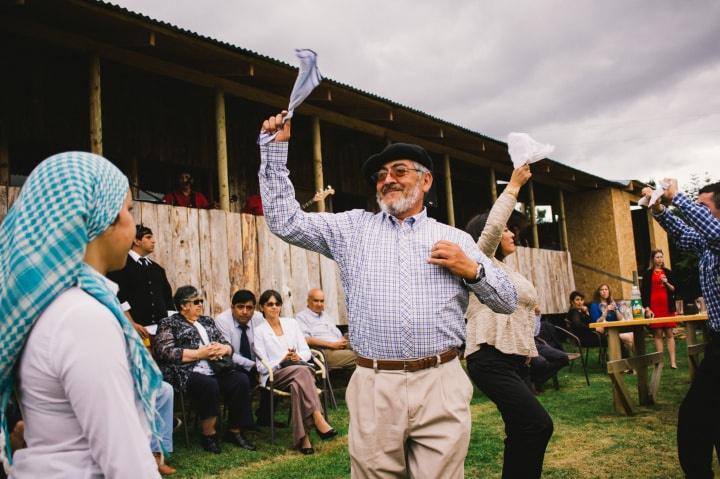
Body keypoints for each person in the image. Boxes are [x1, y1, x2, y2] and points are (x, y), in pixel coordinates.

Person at [258, 112, 517, 477]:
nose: (387, 180)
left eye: (399, 171)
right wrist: (274, 151)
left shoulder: (457, 240)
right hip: (375, 385)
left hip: (439, 380)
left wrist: (473, 270)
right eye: (381, 176)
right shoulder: (351, 229)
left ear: (425, 180)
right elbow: (284, 221)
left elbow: (505, 300)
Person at [0, 152, 163, 477]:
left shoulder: (47, 305)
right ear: (103, 218)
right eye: (129, 210)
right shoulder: (82, 318)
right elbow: (126, 462)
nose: (132, 223)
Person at [464, 164, 553, 478]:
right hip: (489, 359)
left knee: (521, 430)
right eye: (506, 229)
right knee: (538, 424)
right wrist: (514, 187)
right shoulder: (480, 261)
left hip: (514, 361)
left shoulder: (507, 269)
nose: (512, 233)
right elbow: (491, 229)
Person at [642, 179, 720, 478]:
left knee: (695, 416)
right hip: (716, 342)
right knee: (707, 415)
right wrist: (660, 209)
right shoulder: (708, 243)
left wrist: (678, 197)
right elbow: (686, 236)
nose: (697, 212)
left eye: (704, 207)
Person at [154, 285, 256, 454]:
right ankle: (209, 435)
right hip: (187, 371)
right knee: (208, 385)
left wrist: (225, 349)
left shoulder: (207, 321)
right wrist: (198, 353)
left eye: (201, 301)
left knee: (240, 379)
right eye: (196, 302)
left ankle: (235, 431)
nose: (201, 304)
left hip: (216, 368)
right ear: (183, 305)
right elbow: (164, 352)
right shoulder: (169, 323)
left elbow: (227, 344)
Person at [252, 290, 336, 454]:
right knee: (303, 373)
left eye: (277, 304)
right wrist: (282, 359)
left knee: (298, 384)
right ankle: (318, 417)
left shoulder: (291, 323)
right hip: (275, 374)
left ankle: (304, 439)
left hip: (298, 370)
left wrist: (297, 356)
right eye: (270, 304)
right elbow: (262, 367)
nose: (274, 307)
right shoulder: (259, 331)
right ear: (262, 307)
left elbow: (306, 352)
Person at [214, 289, 275, 427]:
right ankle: (244, 425)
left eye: (249, 308)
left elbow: (265, 343)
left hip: (256, 361)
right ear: (232, 307)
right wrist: (253, 366)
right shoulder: (222, 321)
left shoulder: (259, 318)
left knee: (273, 371)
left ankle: (265, 417)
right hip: (232, 364)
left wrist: (262, 366)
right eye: (240, 307)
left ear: (254, 308)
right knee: (242, 378)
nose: (245, 312)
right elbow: (228, 353)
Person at [107, 224, 174, 341]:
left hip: (162, 333)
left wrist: (171, 327)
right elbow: (117, 296)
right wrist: (131, 323)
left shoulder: (158, 269)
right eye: (148, 237)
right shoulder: (120, 265)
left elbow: (168, 299)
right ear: (136, 241)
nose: (153, 241)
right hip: (134, 331)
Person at [295, 288, 356, 369]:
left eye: (322, 301)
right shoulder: (301, 317)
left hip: (339, 345)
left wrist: (342, 339)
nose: (319, 304)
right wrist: (333, 345)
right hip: (325, 351)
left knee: (366, 349)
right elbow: (307, 340)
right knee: (361, 357)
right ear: (308, 301)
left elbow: (337, 333)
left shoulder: (325, 316)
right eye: (316, 301)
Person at [641, 249, 678, 369]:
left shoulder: (668, 272)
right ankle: (660, 361)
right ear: (653, 259)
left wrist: (666, 282)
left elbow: (673, 290)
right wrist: (647, 308)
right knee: (657, 334)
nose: (660, 259)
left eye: (661, 257)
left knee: (669, 333)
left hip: (667, 306)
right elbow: (644, 292)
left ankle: (673, 362)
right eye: (657, 257)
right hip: (654, 306)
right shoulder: (647, 274)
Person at [530, 308, 570, 393]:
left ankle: (536, 381)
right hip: (521, 346)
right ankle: (532, 382)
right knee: (541, 362)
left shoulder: (530, 310)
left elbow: (535, 333)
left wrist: (536, 316)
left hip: (535, 343)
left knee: (563, 357)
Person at [589, 284, 634, 353]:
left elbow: (621, 319)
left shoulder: (612, 303)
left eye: (606, 289)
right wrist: (606, 310)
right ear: (598, 292)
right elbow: (597, 322)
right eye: (602, 290)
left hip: (617, 329)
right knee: (628, 338)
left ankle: (632, 358)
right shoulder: (595, 305)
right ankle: (628, 358)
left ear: (609, 291)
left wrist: (616, 309)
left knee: (632, 335)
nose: (604, 291)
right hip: (605, 332)